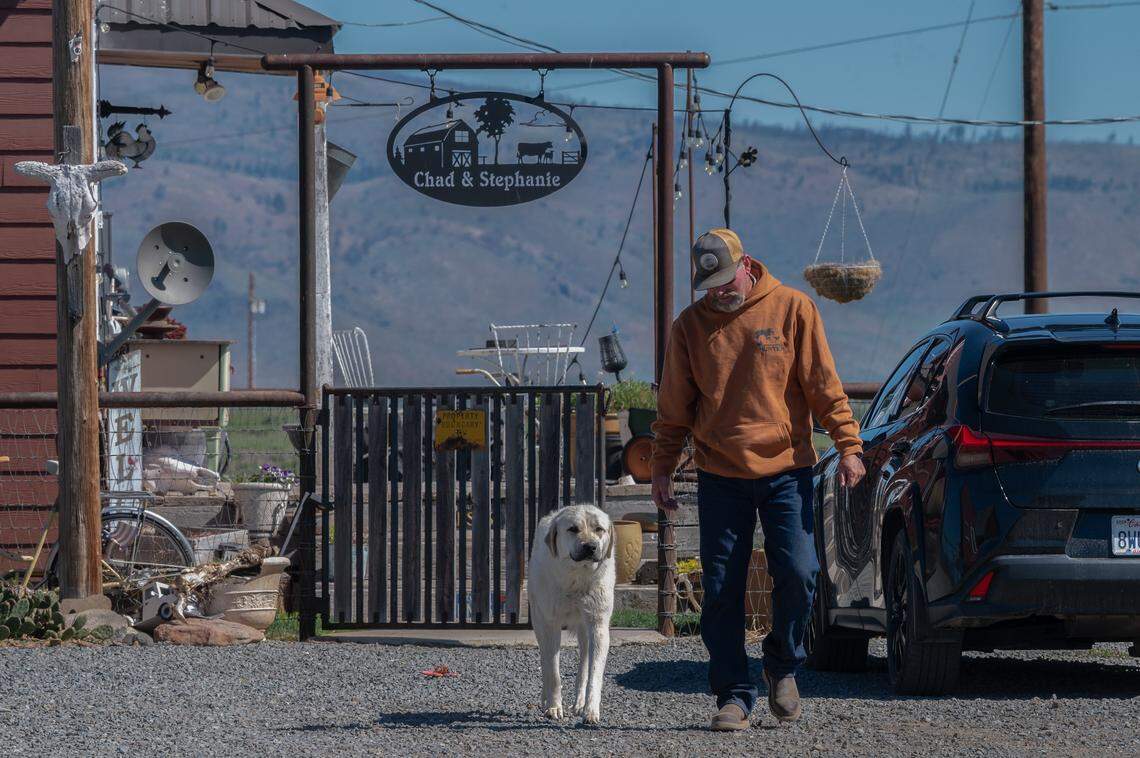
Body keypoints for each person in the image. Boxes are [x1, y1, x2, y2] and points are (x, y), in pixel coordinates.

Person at [650, 228, 866, 731]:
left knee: (800, 570)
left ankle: (781, 664)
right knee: (722, 585)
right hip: (720, 472)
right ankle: (734, 695)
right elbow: (674, 407)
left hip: (788, 469)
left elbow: (823, 386)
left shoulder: (793, 308)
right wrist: (661, 465)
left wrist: (849, 446)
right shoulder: (690, 328)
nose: (720, 292)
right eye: (711, 286)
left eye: (727, 281)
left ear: (746, 265)